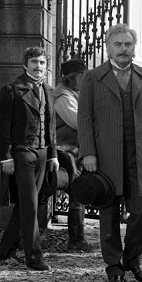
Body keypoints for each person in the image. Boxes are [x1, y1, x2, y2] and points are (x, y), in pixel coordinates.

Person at [78, 24, 142, 282]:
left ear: (134, 47)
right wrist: (88, 153)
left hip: (139, 158)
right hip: (105, 157)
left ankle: (133, 261)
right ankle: (114, 268)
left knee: (140, 212)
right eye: (118, 45)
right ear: (108, 47)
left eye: (128, 44)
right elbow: (85, 119)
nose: (124, 49)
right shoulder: (93, 78)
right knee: (108, 214)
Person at [0, 46, 58, 271]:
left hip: (42, 152)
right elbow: (2, 128)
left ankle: (5, 250)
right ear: (25, 65)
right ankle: (34, 257)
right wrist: (6, 158)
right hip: (22, 153)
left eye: (42, 62)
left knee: (25, 204)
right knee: (30, 205)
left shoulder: (49, 91)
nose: (38, 66)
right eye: (34, 62)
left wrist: (53, 155)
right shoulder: (11, 90)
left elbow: (51, 127)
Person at [37, 56, 95, 252]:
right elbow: (80, 124)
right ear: (72, 78)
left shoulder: (70, 94)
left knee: (64, 194)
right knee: (74, 192)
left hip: (68, 155)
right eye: (82, 77)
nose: (84, 81)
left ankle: (71, 239)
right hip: (63, 155)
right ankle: (74, 241)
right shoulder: (64, 97)